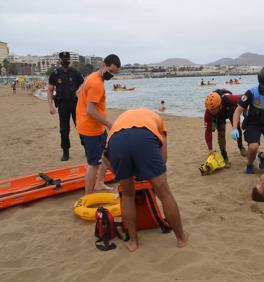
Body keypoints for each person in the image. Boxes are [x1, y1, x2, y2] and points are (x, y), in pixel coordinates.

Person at [102, 108, 188, 252]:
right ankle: (181, 238)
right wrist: (147, 173)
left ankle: (133, 242)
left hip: (116, 141)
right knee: (165, 194)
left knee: (128, 195)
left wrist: (125, 174)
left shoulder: (120, 122)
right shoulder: (158, 121)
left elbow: (105, 159)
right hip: (144, 136)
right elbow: (163, 158)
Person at [76, 54, 121, 194]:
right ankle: (88, 195)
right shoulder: (97, 84)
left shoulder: (91, 77)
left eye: (114, 73)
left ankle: (100, 183)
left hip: (89, 126)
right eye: (110, 71)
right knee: (93, 164)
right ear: (103, 65)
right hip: (91, 129)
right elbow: (90, 111)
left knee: (106, 155)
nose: (111, 75)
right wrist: (108, 123)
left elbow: (78, 93)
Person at [47, 51, 84, 161]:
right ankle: (65, 152)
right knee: (64, 129)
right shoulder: (55, 74)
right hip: (62, 105)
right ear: (60, 60)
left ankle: (86, 149)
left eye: (67, 59)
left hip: (75, 104)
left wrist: (80, 93)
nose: (65, 61)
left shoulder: (76, 72)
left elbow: (83, 85)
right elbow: (50, 90)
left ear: (70, 60)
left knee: (81, 126)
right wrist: (50, 106)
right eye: (63, 59)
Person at [204, 89, 246, 167]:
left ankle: (241, 147)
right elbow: (208, 131)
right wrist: (210, 149)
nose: (211, 111)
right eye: (210, 110)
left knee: (237, 127)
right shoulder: (209, 112)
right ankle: (224, 156)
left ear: (219, 105)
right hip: (219, 117)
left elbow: (245, 99)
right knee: (221, 133)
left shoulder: (231, 99)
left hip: (231, 111)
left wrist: (245, 114)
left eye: (213, 109)